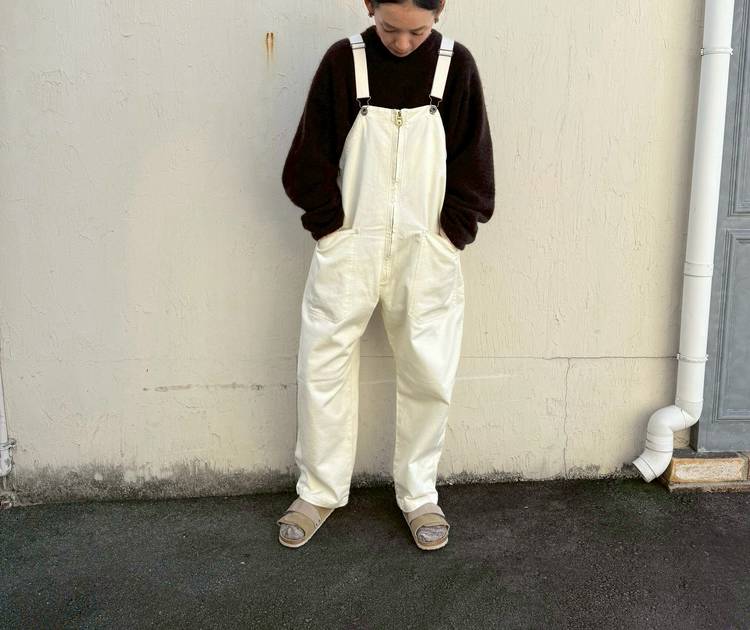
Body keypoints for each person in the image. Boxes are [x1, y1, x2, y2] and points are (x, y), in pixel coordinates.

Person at [277, 0, 495, 550]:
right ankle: (319, 491)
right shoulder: (343, 62)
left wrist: (451, 235)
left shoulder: (455, 66)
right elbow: (306, 160)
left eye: (416, 31)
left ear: (440, 11)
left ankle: (419, 493)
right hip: (351, 243)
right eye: (389, 28)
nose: (401, 42)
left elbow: (474, 164)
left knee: (429, 369)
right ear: (369, 6)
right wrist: (331, 228)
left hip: (426, 247)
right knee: (323, 362)